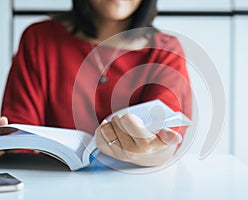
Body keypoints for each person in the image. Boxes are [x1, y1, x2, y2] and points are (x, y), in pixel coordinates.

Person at [0, 0, 191, 167]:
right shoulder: (39, 39)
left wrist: (152, 151)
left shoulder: (166, 51)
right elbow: (18, 136)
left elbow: (167, 139)